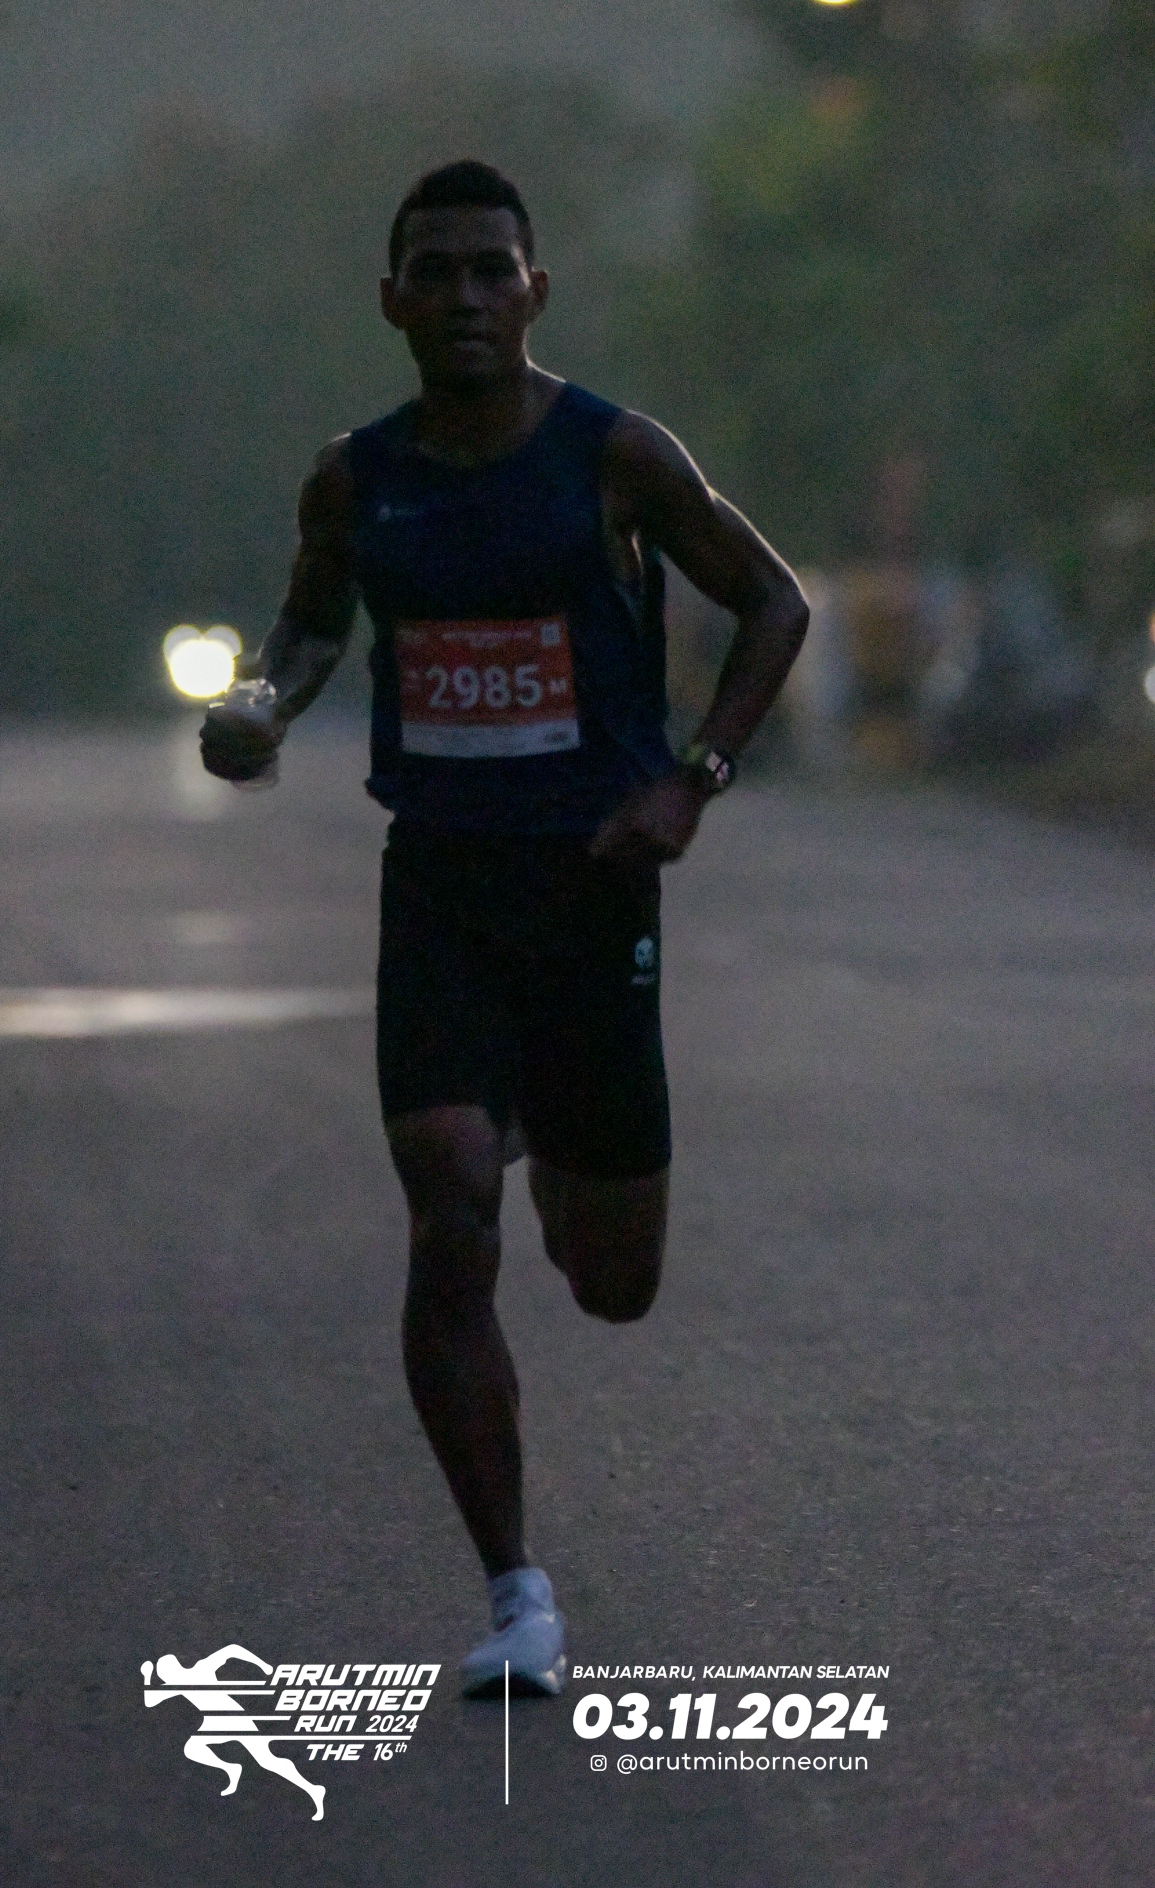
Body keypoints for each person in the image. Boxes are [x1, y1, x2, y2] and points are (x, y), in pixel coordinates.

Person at [201, 161, 808, 1698]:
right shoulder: (356, 477)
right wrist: (263, 702)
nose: (466, 297)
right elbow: (312, 618)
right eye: (437, 272)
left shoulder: (615, 455)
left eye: (493, 271)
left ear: (535, 292)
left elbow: (775, 603)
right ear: (391, 300)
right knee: (449, 1200)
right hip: (444, 887)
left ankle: (544, 1118)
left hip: (592, 889)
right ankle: (515, 1596)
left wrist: (693, 780)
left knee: (612, 1281)